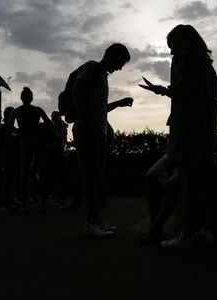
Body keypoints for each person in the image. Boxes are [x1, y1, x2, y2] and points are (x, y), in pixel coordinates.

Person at [139, 24, 217, 248]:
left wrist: (162, 90)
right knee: (180, 183)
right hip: (198, 134)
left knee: (176, 182)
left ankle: (183, 234)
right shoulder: (206, 66)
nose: (172, 53)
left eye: (172, 47)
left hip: (188, 134)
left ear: (184, 43)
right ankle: (166, 230)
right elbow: (197, 97)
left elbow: (185, 93)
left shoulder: (187, 61)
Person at [71, 43, 132, 237]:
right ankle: (91, 223)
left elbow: (100, 107)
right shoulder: (92, 67)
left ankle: (96, 221)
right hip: (88, 130)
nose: (120, 67)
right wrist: (87, 120)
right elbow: (77, 91)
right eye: (121, 62)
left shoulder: (101, 75)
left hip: (96, 130)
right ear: (112, 56)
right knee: (91, 177)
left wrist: (119, 104)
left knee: (96, 177)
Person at [6, 87, 53, 213]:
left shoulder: (17, 111)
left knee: (24, 173)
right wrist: (39, 128)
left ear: (21, 98)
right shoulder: (37, 110)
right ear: (31, 98)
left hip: (25, 142)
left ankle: (25, 203)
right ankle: (42, 201)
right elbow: (50, 124)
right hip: (37, 142)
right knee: (40, 172)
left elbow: (9, 127)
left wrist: (19, 132)